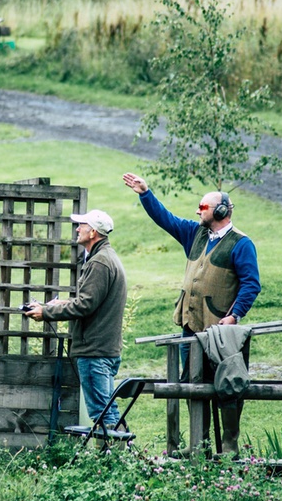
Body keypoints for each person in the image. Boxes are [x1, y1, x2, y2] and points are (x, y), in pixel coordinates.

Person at [122, 173, 259, 456]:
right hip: (191, 329)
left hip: (221, 333)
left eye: (203, 207)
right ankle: (201, 445)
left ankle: (230, 449)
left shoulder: (242, 243)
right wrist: (145, 193)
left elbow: (251, 284)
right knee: (192, 385)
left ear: (220, 211)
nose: (198, 211)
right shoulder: (195, 233)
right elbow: (166, 218)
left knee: (227, 389)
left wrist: (234, 316)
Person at [25, 210, 127, 431]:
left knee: (102, 412)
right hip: (103, 349)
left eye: (81, 224)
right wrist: (61, 304)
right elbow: (92, 301)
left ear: (93, 232)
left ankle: (116, 458)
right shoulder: (105, 257)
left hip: (94, 351)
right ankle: (120, 456)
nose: (77, 228)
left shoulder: (99, 262)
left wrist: (46, 313)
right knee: (108, 409)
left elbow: (86, 305)